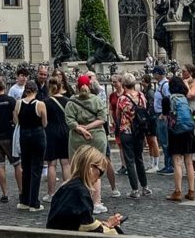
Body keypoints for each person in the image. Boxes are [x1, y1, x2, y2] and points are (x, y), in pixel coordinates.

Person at [46, 145, 125, 238]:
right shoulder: (80, 192)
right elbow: (91, 232)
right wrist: (110, 227)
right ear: (90, 167)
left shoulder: (63, 189)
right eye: (100, 172)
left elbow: (78, 224)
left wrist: (105, 224)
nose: (99, 178)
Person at [65, 73, 118, 214]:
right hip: (96, 137)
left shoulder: (71, 102)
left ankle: (76, 200)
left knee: (76, 169)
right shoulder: (96, 100)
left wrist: (81, 129)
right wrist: (88, 128)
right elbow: (102, 119)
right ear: (89, 86)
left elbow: (70, 121)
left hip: (77, 139)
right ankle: (96, 202)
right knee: (96, 169)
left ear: (76, 87)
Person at [115, 73, 151, 199]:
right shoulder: (141, 96)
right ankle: (145, 187)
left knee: (129, 161)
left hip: (127, 131)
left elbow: (118, 116)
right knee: (139, 158)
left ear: (124, 84)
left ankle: (134, 189)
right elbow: (145, 110)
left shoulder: (122, 99)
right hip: (139, 131)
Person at [162, 74, 195, 202]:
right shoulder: (184, 98)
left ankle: (177, 191)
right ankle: (191, 191)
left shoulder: (167, 99)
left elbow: (165, 116)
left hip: (175, 132)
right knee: (189, 162)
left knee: (177, 162)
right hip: (188, 131)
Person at [14, 79, 48, 211]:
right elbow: (45, 123)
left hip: (24, 136)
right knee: (36, 169)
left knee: (26, 168)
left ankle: (24, 200)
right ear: (36, 90)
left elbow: (16, 120)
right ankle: (34, 202)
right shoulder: (40, 104)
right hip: (38, 136)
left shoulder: (18, 103)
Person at [44, 76, 70, 202]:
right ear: (61, 86)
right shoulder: (67, 101)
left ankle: (51, 194)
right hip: (65, 132)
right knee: (66, 163)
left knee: (51, 164)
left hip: (51, 133)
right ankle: (67, 192)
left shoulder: (46, 102)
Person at [152, 66, 173, 174]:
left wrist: (165, 113)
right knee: (163, 140)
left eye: (154, 73)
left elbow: (169, 99)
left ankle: (169, 165)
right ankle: (167, 164)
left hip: (162, 116)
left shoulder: (165, 85)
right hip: (159, 114)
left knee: (165, 140)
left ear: (158, 74)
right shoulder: (161, 85)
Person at [141, 75, 161, 172]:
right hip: (147, 118)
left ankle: (156, 163)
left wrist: (148, 113)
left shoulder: (150, 92)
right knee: (149, 141)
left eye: (143, 81)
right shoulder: (145, 92)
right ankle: (152, 162)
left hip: (151, 118)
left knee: (153, 139)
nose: (142, 83)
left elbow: (152, 104)